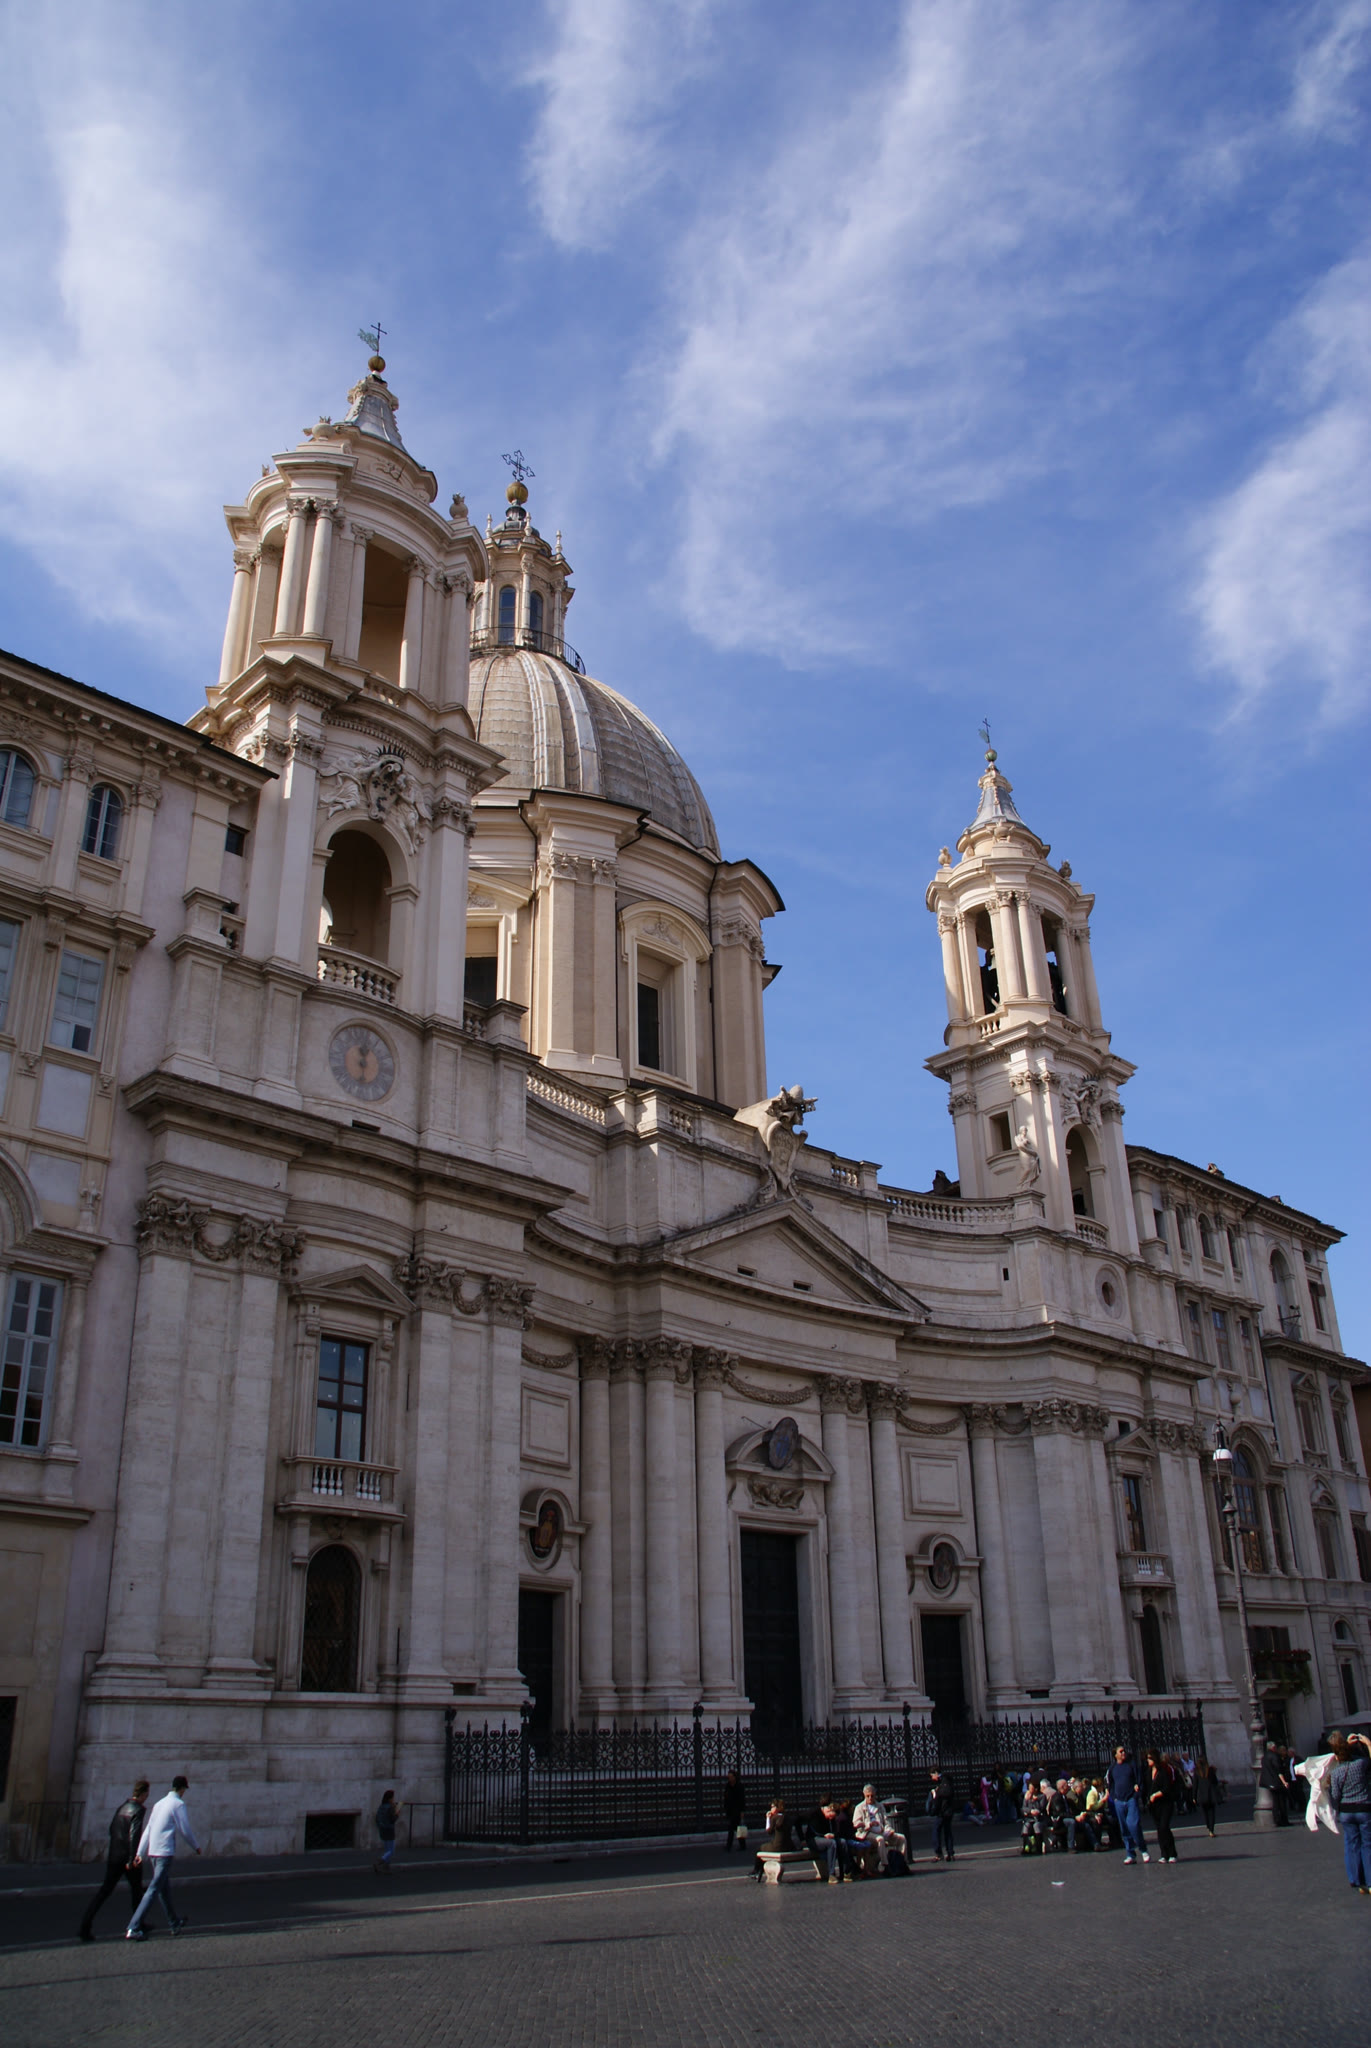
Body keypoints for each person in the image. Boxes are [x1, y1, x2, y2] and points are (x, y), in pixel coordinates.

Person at [126, 1775, 200, 1939]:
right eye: (184, 1790)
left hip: (153, 1851)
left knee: (163, 1890)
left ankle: (174, 1923)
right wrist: (195, 1846)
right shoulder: (178, 1804)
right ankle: (133, 1927)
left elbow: (149, 1829)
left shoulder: (159, 1804)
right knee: (153, 1889)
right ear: (182, 1789)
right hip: (164, 1852)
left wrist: (140, 1852)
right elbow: (184, 1828)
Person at [78, 1780, 148, 1942]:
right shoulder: (138, 1810)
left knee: (104, 1892)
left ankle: (85, 1926)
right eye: (146, 1794)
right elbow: (134, 1835)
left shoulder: (121, 1808)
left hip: (115, 1856)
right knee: (137, 1892)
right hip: (128, 1857)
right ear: (144, 1794)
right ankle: (137, 1925)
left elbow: (112, 1829)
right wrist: (132, 1858)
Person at [1329, 1732, 1371, 1894]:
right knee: (1367, 1845)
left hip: (1346, 1811)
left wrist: (1344, 1745)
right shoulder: (1360, 1764)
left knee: (1352, 1845)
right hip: (1363, 1808)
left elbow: (1335, 1795)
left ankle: (1357, 1880)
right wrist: (1368, 1744)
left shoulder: (1336, 1773)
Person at [853, 1785, 908, 1874]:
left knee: (901, 1838)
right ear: (864, 1795)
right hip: (867, 1833)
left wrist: (889, 1830)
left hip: (881, 1831)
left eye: (872, 1796)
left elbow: (886, 1821)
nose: (870, 1798)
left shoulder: (880, 1806)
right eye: (868, 1796)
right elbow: (856, 1823)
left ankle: (901, 1863)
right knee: (880, 1839)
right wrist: (868, 1824)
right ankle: (885, 1865)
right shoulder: (859, 1807)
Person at [1107, 1746, 1148, 1864]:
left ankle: (1143, 1848)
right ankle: (1130, 1853)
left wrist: (1136, 1795)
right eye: (1120, 1751)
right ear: (1115, 1755)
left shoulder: (1131, 1765)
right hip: (1119, 1801)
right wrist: (1114, 1797)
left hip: (1130, 1799)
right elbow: (1110, 1784)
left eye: (1124, 1751)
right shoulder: (1113, 1768)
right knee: (1124, 1829)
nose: (1123, 1753)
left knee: (1133, 1825)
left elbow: (1139, 1780)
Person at [1144, 1749, 1178, 1862]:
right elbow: (1146, 1787)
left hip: (1165, 1803)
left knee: (1164, 1827)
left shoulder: (1163, 1771)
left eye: (1150, 1758)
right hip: (1154, 1806)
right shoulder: (1148, 1772)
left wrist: (1156, 1795)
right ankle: (1164, 1853)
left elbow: (1167, 1787)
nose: (1148, 1760)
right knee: (1159, 1829)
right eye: (1147, 1758)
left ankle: (1172, 1853)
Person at [804, 1800, 849, 1882]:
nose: (830, 1818)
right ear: (828, 1811)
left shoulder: (831, 1819)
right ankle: (831, 1874)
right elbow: (815, 1830)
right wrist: (824, 1835)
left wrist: (834, 1834)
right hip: (814, 1839)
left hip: (827, 1838)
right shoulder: (816, 1814)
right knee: (832, 1843)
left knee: (842, 1842)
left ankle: (845, 1872)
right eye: (830, 1816)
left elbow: (836, 1830)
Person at [752, 1798, 796, 1881]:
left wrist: (768, 1818)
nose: (771, 1809)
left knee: (760, 1849)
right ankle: (758, 1872)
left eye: (772, 1807)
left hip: (777, 1846)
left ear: (777, 1808)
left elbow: (769, 1831)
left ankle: (756, 1871)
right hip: (789, 1846)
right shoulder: (788, 1817)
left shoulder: (775, 1818)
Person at [927, 1770, 956, 1862]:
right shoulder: (947, 1781)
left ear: (936, 1773)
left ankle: (939, 1853)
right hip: (948, 1811)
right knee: (947, 1831)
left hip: (943, 1812)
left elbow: (944, 1795)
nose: (932, 1778)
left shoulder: (944, 1782)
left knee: (936, 1831)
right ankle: (950, 1853)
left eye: (932, 1776)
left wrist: (935, 1794)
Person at [1259, 1743, 1290, 1825]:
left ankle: (1276, 1819)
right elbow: (1279, 1770)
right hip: (1277, 1782)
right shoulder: (1275, 1756)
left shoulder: (1264, 1757)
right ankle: (1283, 1820)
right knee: (1281, 1802)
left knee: (1275, 1802)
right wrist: (1284, 1782)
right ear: (1273, 1747)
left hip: (1269, 1782)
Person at [373, 1789, 402, 1873]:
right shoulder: (390, 1807)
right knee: (391, 1850)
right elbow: (392, 1819)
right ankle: (379, 1862)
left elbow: (377, 1818)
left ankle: (387, 1867)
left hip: (382, 1829)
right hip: (389, 1829)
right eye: (393, 1798)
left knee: (387, 1849)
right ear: (390, 1799)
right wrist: (397, 1814)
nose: (393, 1799)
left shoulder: (381, 1806)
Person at [1196, 1758, 1221, 1837]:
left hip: (1201, 1794)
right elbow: (1215, 1782)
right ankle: (1211, 1829)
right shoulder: (1210, 1770)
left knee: (1205, 1812)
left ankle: (1208, 1824)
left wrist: (1194, 1796)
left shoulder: (1197, 1771)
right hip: (1210, 1794)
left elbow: (1195, 1785)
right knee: (1211, 1812)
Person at [723, 1769, 747, 1852]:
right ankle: (742, 1844)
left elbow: (742, 1799)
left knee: (732, 1828)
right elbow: (726, 1797)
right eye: (729, 1777)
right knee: (736, 1828)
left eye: (731, 1777)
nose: (730, 1779)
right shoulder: (728, 1786)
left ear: (735, 1777)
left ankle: (729, 1845)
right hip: (730, 1810)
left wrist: (742, 1811)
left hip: (737, 1810)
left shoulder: (739, 1786)